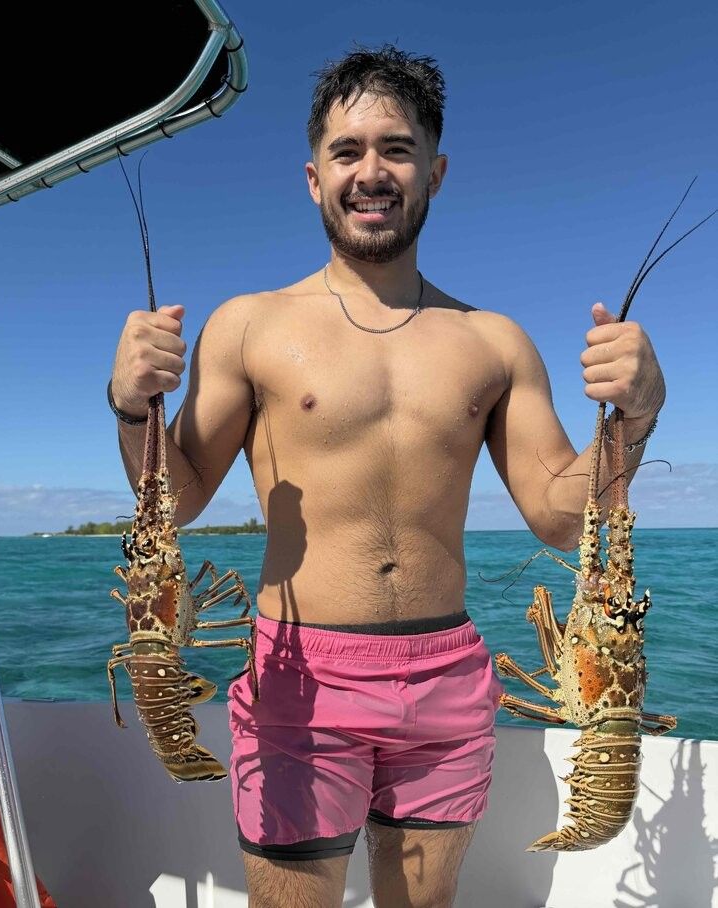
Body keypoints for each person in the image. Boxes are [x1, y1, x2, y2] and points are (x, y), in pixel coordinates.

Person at [110, 46, 665, 908]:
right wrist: (128, 403)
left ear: (435, 172)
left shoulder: (494, 341)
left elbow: (563, 514)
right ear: (311, 176)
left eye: (396, 149)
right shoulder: (248, 326)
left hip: (446, 679)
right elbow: (174, 501)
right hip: (300, 677)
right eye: (347, 151)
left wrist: (634, 419)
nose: (371, 172)